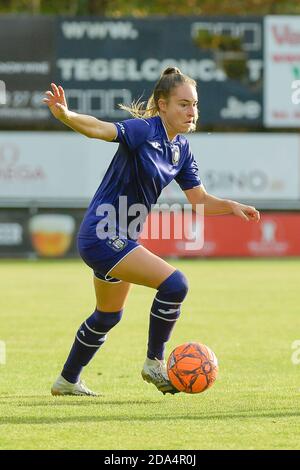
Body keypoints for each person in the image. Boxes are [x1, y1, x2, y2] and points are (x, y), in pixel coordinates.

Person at [43, 67, 260, 396]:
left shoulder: (181, 149)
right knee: (175, 284)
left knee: (107, 315)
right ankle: (154, 362)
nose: (191, 112)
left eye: (194, 105)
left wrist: (230, 205)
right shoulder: (144, 130)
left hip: (121, 238)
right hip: (102, 234)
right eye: (183, 104)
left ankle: (67, 380)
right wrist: (66, 115)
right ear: (162, 105)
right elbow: (101, 130)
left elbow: (199, 200)